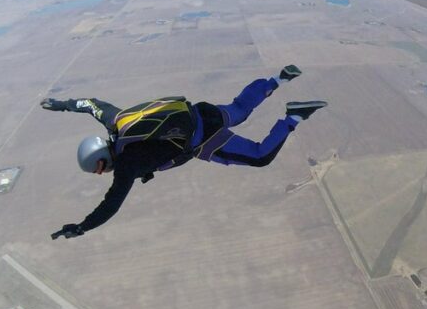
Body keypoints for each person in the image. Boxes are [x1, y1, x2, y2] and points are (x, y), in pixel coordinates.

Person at [41, 66, 326, 238]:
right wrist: (63, 105)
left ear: (102, 160)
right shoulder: (116, 122)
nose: (101, 173)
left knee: (259, 156)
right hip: (200, 112)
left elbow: (110, 205)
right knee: (239, 109)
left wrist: (83, 226)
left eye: (98, 168)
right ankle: (278, 79)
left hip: (203, 139)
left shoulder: (128, 165)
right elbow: (92, 105)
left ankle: (294, 116)